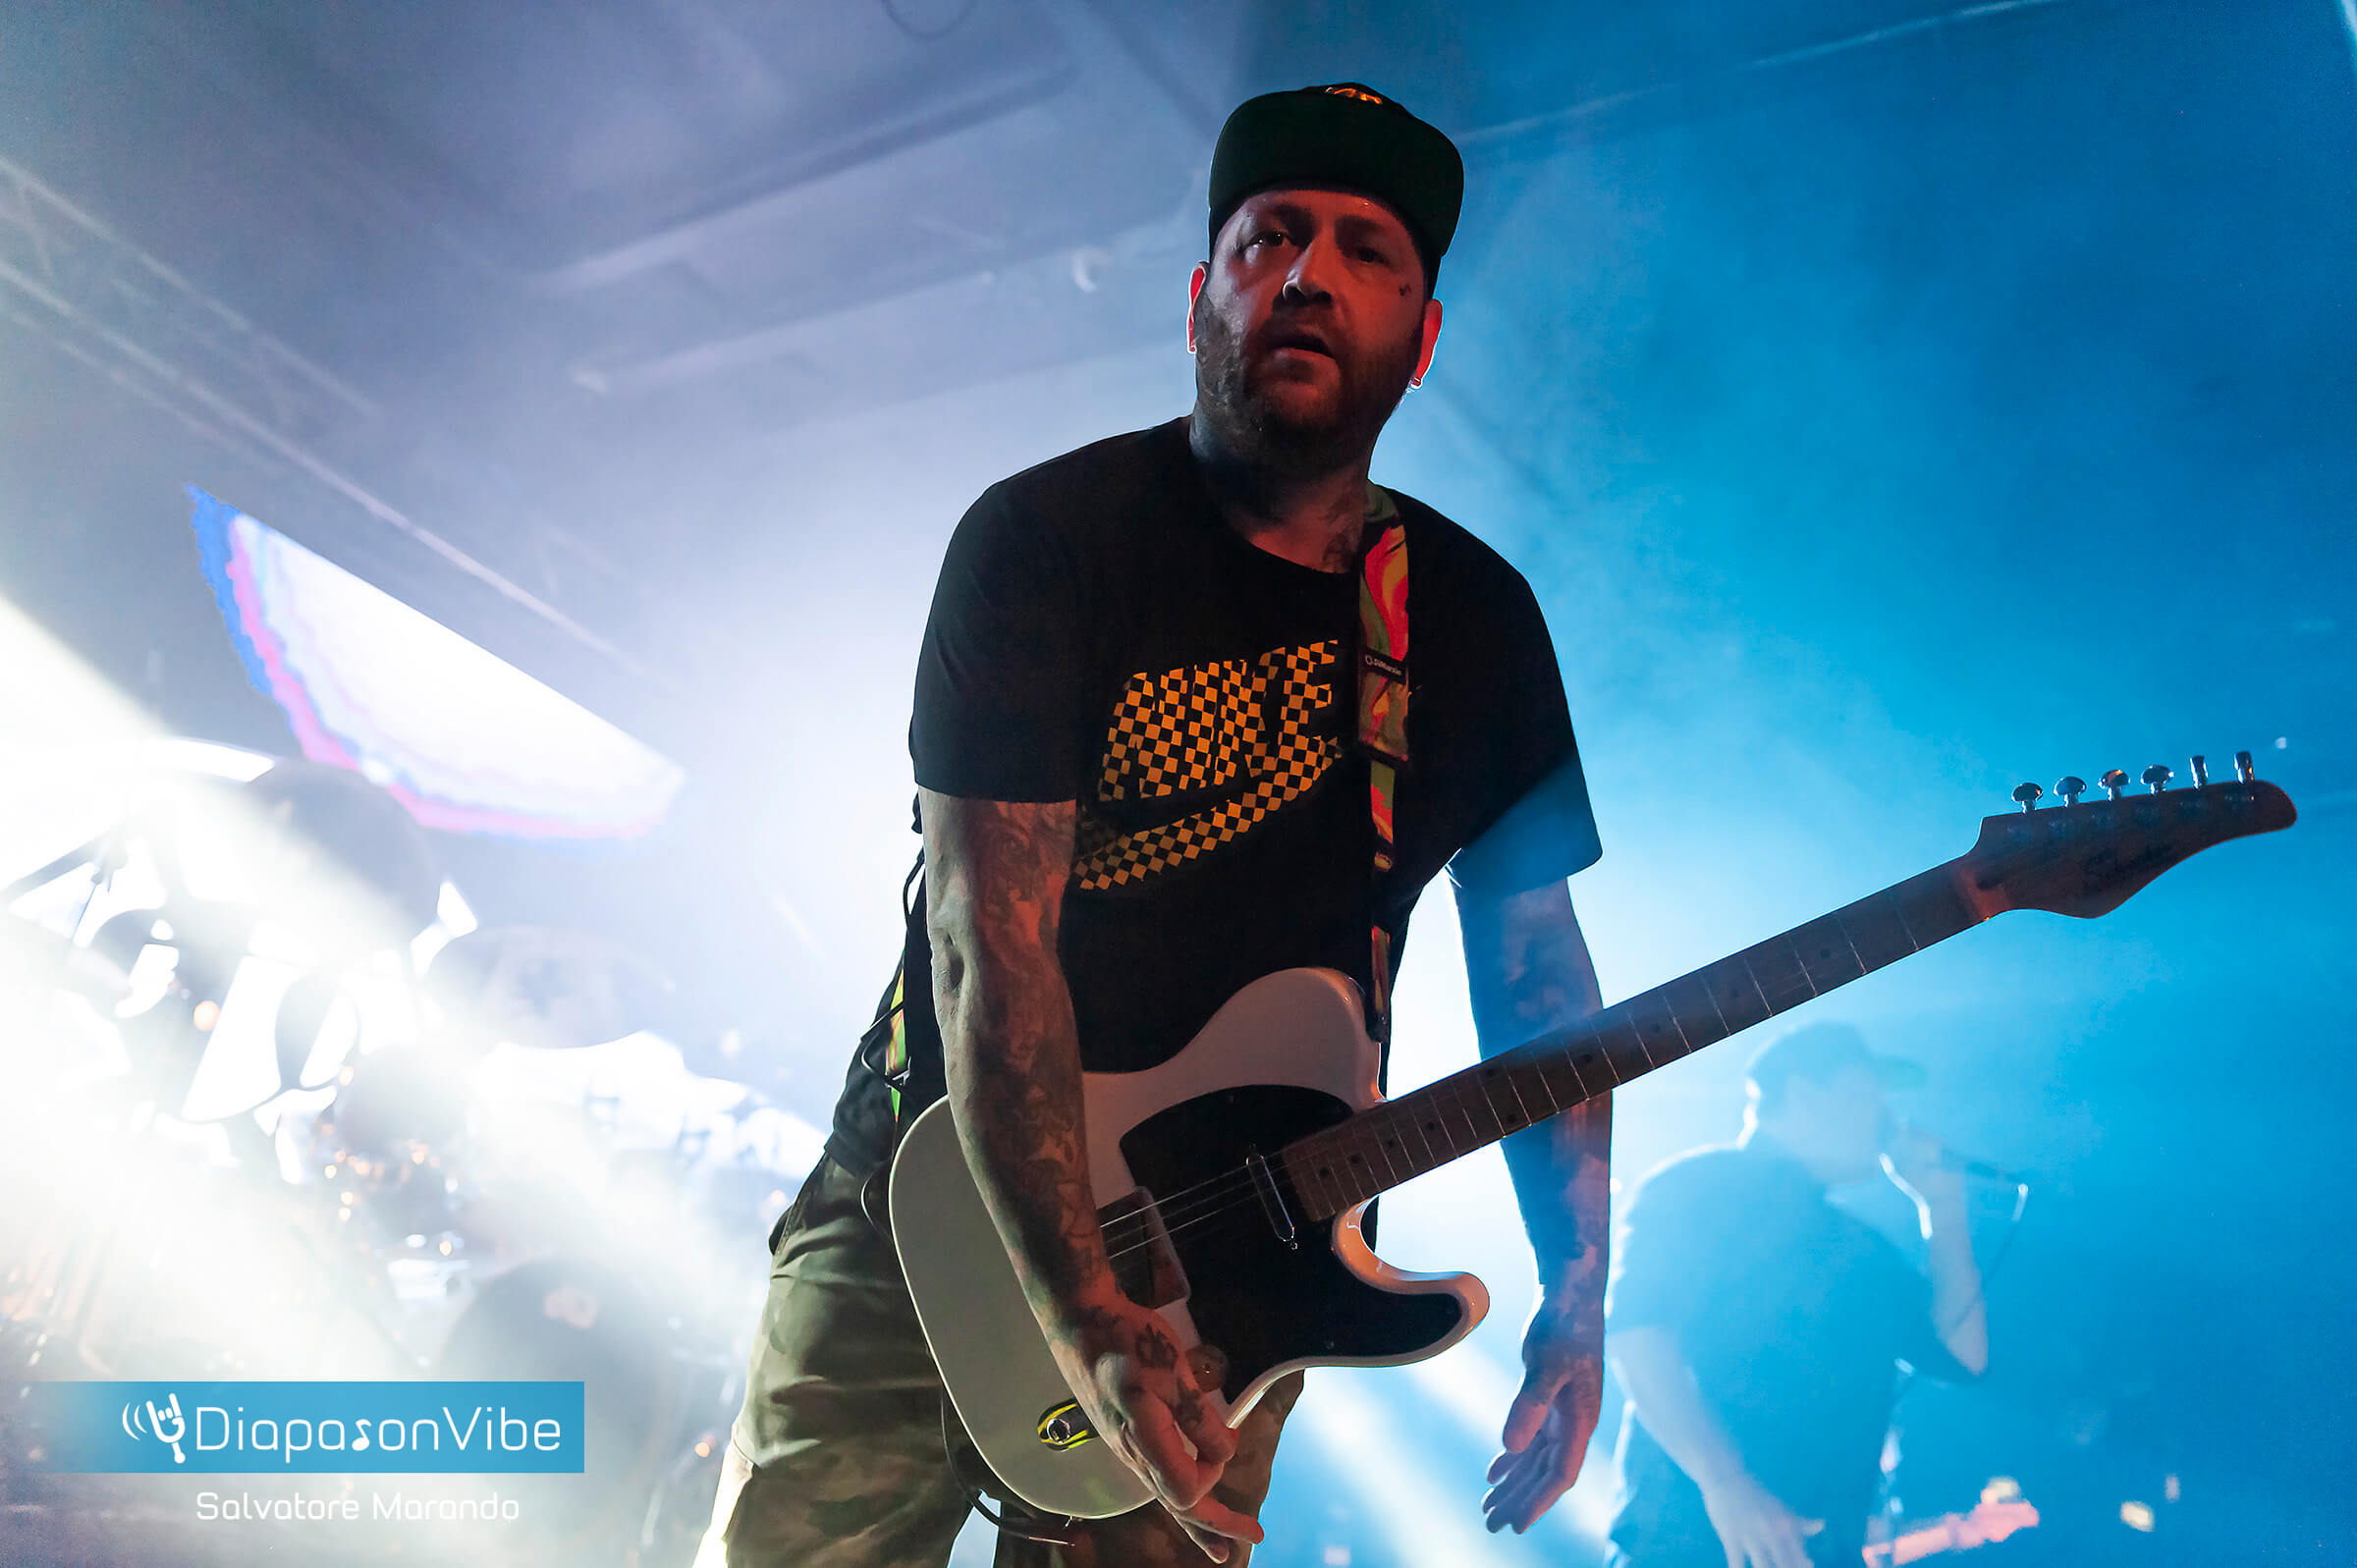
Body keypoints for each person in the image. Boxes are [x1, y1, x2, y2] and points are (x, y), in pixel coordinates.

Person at [702, 82, 1615, 1568]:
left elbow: (1540, 984)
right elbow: (990, 949)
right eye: (1269, 238)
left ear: (1424, 338)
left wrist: (1576, 1312)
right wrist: (1082, 1305)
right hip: (933, 1193)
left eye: (1368, 251)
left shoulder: (1478, 627)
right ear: (1202, 300)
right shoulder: (1047, 541)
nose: (1308, 274)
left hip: (1246, 1250)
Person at [1602, 1023, 1992, 1568]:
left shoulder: (1859, 1247)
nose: (1886, 1118)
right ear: (1805, 1097)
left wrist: (1945, 1209)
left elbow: (1960, 1357)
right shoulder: (1696, 1186)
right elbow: (1637, 1337)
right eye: (1867, 1096)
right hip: (1687, 1543)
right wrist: (1727, 1482)